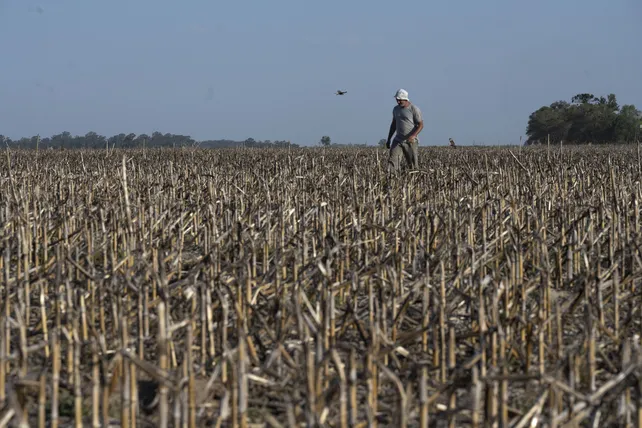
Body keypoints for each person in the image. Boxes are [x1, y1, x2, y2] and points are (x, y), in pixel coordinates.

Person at [386, 88, 424, 173]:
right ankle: (392, 180)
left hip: (410, 141)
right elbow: (393, 125)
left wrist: (413, 136)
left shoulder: (414, 109)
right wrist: (389, 139)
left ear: (405, 99)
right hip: (398, 140)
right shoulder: (395, 109)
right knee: (392, 162)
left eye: (400, 100)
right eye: (397, 100)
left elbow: (421, 125)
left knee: (413, 166)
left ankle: (414, 180)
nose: (398, 102)